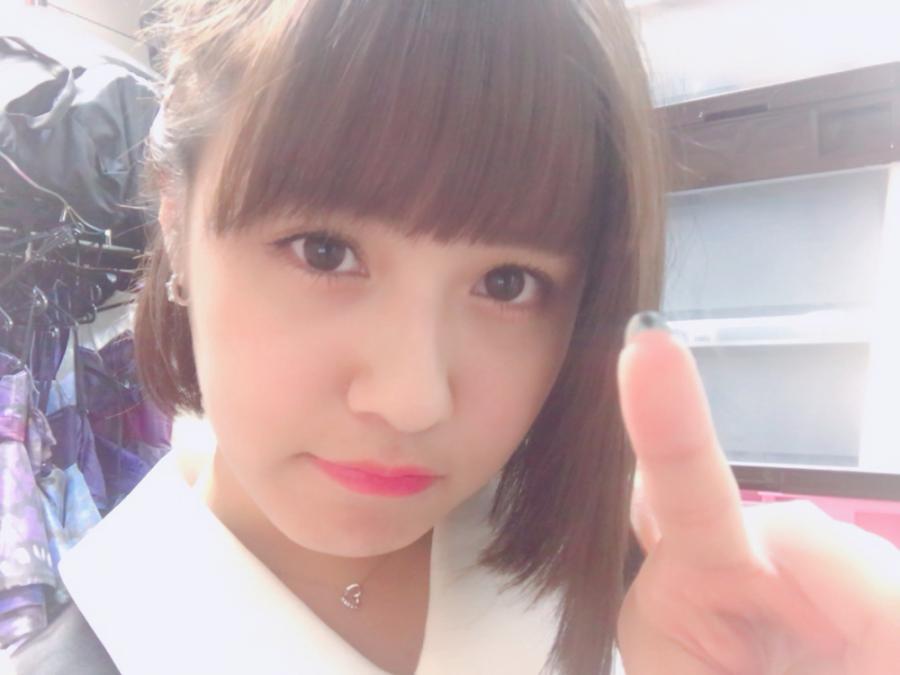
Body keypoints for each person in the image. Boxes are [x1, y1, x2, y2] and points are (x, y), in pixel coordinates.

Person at [10, 1, 900, 673]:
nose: (413, 398)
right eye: (324, 251)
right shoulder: (98, 643)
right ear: (175, 218)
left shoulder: (672, 597)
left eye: (507, 283)